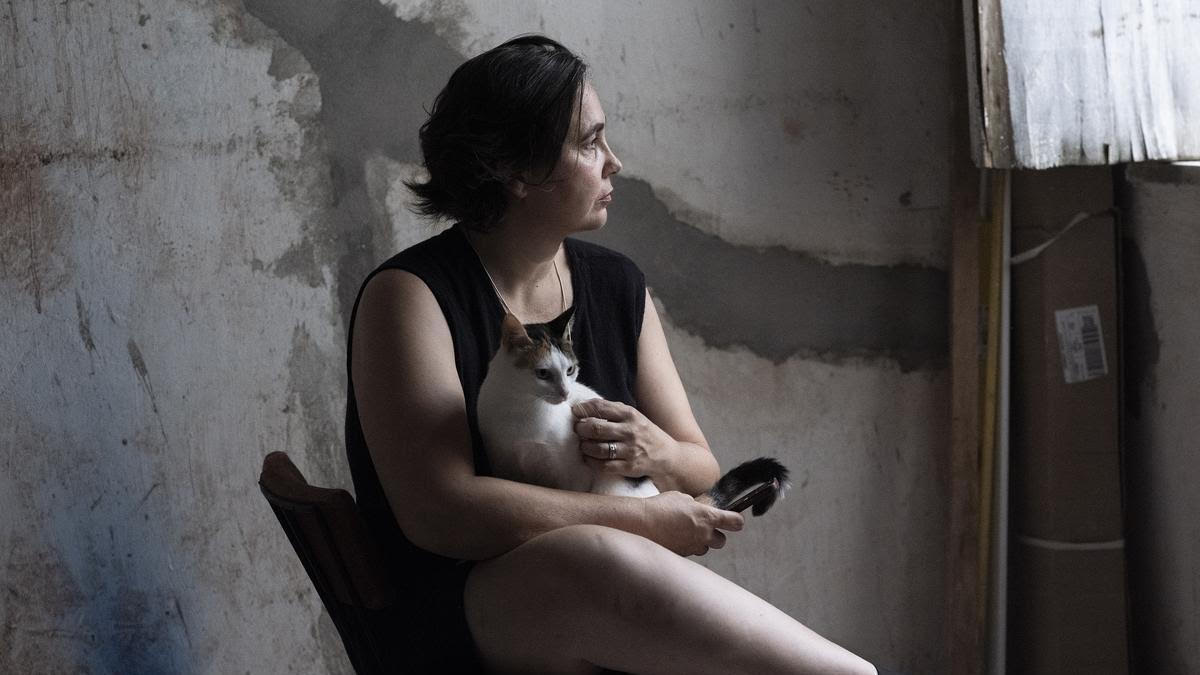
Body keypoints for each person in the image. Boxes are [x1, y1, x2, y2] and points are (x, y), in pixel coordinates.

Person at [346, 35, 881, 674]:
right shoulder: (410, 296)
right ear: (516, 171)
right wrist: (643, 523)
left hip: (604, 594)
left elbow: (698, 470)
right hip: (458, 616)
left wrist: (654, 451)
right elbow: (441, 514)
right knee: (595, 559)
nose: (614, 162)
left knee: (610, 563)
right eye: (590, 143)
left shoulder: (617, 285)